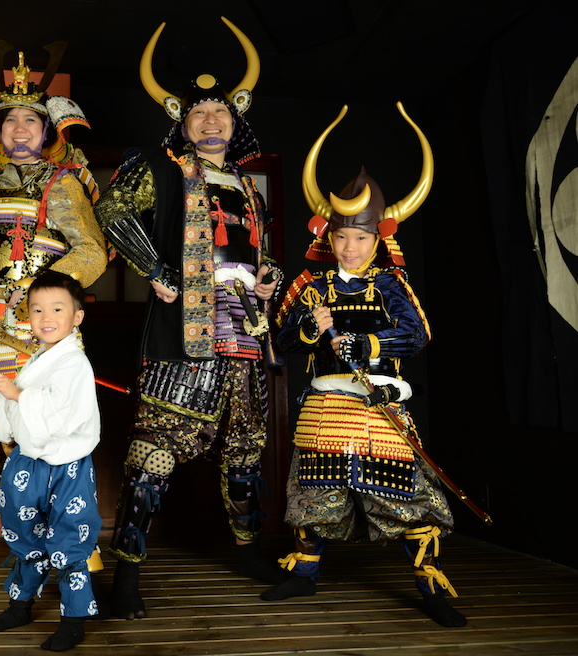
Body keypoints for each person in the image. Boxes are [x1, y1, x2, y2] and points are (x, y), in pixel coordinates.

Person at [93, 17, 283, 620]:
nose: (209, 120)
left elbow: (253, 251)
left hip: (246, 329)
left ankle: (249, 551)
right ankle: (127, 574)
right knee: (154, 450)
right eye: (198, 112)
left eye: (219, 111)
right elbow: (113, 210)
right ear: (182, 122)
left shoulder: (248, 186)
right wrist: (154, 268)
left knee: (245, 448)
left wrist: (269, 275)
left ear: (235, 120)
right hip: (186, 331)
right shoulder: (160, 165)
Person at [263, 104, 466, 627]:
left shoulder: (391, 285)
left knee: (406, 499)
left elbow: (418, 334)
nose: (349, 247)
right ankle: (304, 575)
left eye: (360, 238)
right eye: (341, 237)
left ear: (380, 239)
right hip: (326, 404)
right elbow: (281, 339)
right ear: (326, 237)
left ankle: (431, 588)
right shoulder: (310, 286)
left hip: (378, 403)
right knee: (314, 496)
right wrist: (310, 329)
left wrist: (367, 343)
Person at [0, 42, 108, 589]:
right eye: (11, 121)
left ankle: (80, 563)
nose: (21, 129)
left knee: (45, 443)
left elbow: (92, 253)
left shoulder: (62, 183)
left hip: (34, 331)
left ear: (47, 130)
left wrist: (36, 294)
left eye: (31, 120)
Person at [0, 270, 101, 651]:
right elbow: (14, 423)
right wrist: (1, 396)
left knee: (69, 538)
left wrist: (17, 394)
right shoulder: (37, 359)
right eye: (37, 310)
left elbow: (60, 414)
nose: (46, 318)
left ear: (77, 317)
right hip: (27, 464)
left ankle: (74, 622)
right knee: (23, 535)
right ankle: (20, 606)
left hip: (67, 467)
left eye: (57, 309)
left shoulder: (75, 363)